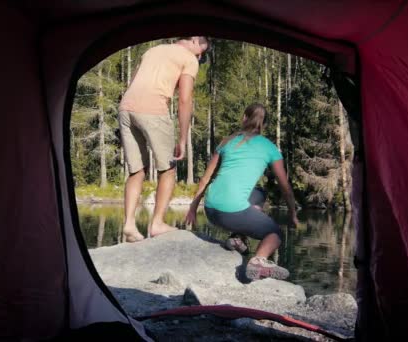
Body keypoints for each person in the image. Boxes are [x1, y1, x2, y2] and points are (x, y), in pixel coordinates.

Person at [185, 103, 299, 280]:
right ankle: (258, 261)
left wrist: (193, 208)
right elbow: (284, 186)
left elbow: (205, 178)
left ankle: (238, 238)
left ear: (244, 118)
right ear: (264, 124)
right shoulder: (269, 148)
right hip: (231, 212)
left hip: (210, 208)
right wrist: (292, 214)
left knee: (259, 194)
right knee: (274, 234)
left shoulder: (227, 141)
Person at [118, 37, 210, 242]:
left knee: (136, 170)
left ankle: (130, 225)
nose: (200, 57)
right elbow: (185, 99)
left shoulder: (153, 50)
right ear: (194, 40)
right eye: (200, 53)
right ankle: (157, 224)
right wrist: (183, 139)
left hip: (125, 108)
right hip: (153, 109)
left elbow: (132, 82)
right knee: (167, 169)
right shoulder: (188, 58)